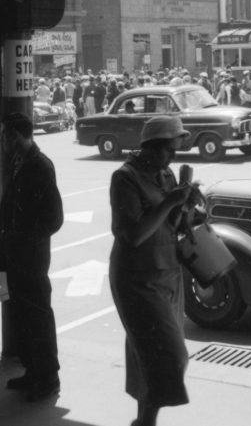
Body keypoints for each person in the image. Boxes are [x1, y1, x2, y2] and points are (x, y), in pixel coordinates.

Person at [109, 116, 195, 426]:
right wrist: (170, 202)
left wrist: (188, 208)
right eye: (169, 150)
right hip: (136, 278)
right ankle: (145, 420)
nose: (173, 157)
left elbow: (173, 226)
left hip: (166, 272)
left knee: (150, 353)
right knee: (169, 356)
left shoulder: (166, 175)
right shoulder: (125, 178)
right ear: (151, 148)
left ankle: (145, 420)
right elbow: (132, 235)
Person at [0, 112, 64, 401]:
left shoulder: (39, 165)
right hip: (15, 255)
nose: (1, 140)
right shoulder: (19, 162)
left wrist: (25, 240)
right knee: (22, 316)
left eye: (4, 135)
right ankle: (32, 370)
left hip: (31, 259)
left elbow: (54, 217)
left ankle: (48, 377)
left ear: (16, 135)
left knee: (38, 318)